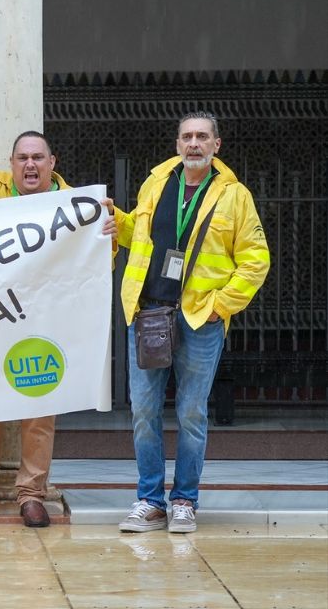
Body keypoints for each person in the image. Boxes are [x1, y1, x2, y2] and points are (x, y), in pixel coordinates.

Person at [0, 114, 115, 528]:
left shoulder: (79, 206)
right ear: (11, 164)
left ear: (53, 162)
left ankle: (32, 495)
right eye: (22, 159)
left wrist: (109, 238)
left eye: (38, 158)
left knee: (39, 410)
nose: (30, 165)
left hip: (44, 322)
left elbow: (97, 263)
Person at [116, 111, 269, 534]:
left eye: (203, 137)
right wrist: (117, 223)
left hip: (201, 319)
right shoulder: (156, 183)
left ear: (217, 145)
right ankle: (150, 501)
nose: (194, 144)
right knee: (144, 410)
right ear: (178, 143)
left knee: (190, 413)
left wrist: (221, 305)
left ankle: (184, 500)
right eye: (187, 137)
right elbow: (138, 236)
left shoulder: (235, 196)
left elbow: (256, 260)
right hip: (148, 313)